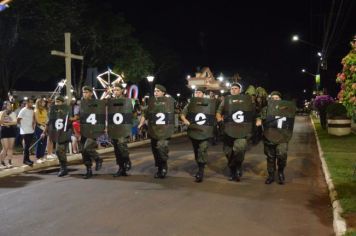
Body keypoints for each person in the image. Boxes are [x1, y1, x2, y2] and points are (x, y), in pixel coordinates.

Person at [256, 91, 295, 185]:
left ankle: (280, 171)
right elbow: (260, 117)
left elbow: (291, 116)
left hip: (282, 136)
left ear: (280, 99)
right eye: (273, 98)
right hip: (269, 136)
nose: (275, 100)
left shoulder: (286, 109)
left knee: (282, 154)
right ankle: (271, 175)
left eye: (277, 98)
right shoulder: (266, 109)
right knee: (270, 157)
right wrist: (259, 120)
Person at [216, 83, 253, 181]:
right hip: (228, 130)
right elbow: (219, 112)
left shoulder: (246, 100)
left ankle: (238, 166)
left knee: (240, 149)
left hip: (241, 130)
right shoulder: (226, 100)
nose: (233, 90)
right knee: (228, 152)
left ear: (240, 90)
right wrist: (220, 121)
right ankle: (233, 170)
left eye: (236, 88)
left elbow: (252, 113)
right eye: (232, 88)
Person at [138, 84, 174, 178]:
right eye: (155, 91)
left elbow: (173, 106)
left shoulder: (168, 102)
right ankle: (159, 168)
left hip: (164, 130)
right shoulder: (151, 103)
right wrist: (141, 123)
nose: (156, 93)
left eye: (158, 91)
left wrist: (169, 98)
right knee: (155, 151)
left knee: (161, 147)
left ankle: (164, 165)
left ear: (163, 93)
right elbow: (144, 114)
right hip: (154, 130)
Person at [180, 88, 216, 182]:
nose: (197, 94)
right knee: (196, 150)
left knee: (202, 148)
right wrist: (185, 120)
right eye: (196, 92)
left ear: (203, 94)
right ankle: (200, 163)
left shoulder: (209, 103)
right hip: (194, 131)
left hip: (205, 131)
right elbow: (183, 114)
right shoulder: (190, 104)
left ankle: (201, 170)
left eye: (199, 92)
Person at [73, 86, 103, 179]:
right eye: (83, 92)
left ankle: (98, 159)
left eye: (86, 92)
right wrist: (70, 119)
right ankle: (88, 170)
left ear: (91, 93)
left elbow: (100, 116)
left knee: (87, 148)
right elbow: (77, 116)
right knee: (83, 151)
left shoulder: (96, 103)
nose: (84, 94)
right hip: (83, 130)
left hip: (93, 130)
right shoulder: (80, 104)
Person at [41, 96, 71, 177]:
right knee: (59, 151)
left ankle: (63, 168)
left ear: (62, 102)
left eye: (58, 101)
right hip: (57, 134)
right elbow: (48, 122)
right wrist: (44, 132)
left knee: (59, 150)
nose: (57, 103)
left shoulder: (67, 110)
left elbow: (71, 120)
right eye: (56, 102)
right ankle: (64, 168)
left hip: (65, 133)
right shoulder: (53, 111)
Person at [110, 83, 132, 177]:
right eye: (114, 90)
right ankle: (121, 168)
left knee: (122, 144)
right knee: (117, 150)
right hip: (114, 128)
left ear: (122, 90)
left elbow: (131, 113)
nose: (115, 92)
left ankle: (127, 160)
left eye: (117, 90)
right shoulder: (111, 101)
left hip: (123, 127)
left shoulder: (127, 100)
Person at [17, 98, 35, 166]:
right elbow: (18, 119)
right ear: (27, 103)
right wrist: (22, 126)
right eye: (30, 102)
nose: (31, 104)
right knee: (26, 146)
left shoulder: (32, 110)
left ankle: (27, 159)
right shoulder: (23, 110)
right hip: (25, 131)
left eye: (32, 102)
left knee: (28, 146)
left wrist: (33, 125)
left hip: (30, 130)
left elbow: (32, 119)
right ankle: (25, 160)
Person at [0, 101, 17, 168]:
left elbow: (15, 122)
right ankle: (1, 163)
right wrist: (3, 114)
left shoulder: (13, 113)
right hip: (4, 131)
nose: (10, 106)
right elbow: (0, 122)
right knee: (5, 148)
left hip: (11, 130)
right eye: (8, 105)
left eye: (10, 105)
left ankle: (9, 162)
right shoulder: (1, 112)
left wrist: (7, 124)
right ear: (5, 105)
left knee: (10, 148)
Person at [34, 98, 48, 163]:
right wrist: (44, 124)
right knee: (39, 142)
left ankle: (42, 156)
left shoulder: (44, 110)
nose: (44, 103)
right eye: (43, 102)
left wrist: (46, 124)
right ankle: (38, 157)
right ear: (39, 103)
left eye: (44, 102)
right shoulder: (36, 110)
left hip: (45, 127)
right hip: (39, 127)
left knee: (44, 142)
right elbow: (37, 120)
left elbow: (46, 118)